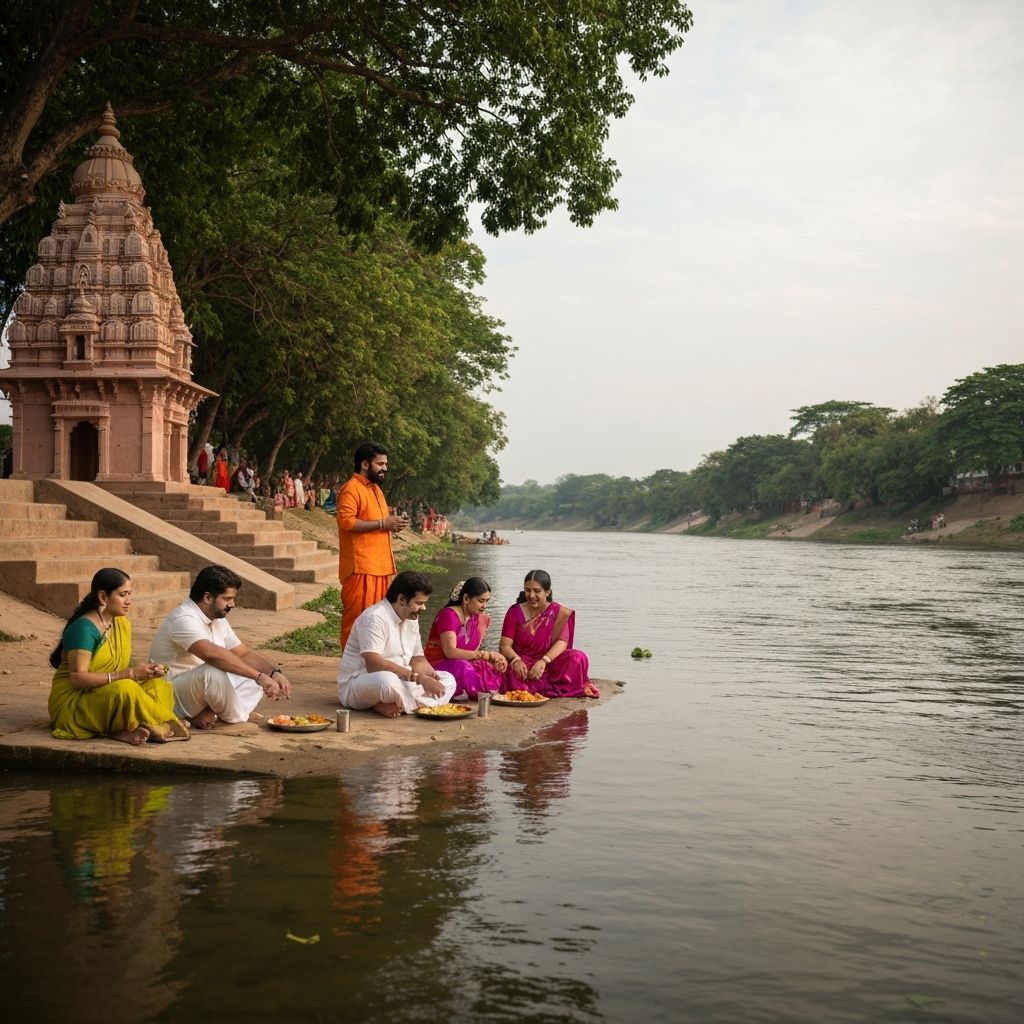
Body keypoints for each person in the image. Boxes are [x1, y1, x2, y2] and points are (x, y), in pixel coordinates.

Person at [47, 568, 189, 744]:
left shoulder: (120, 622)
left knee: (158, 684)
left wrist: (148, 670)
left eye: (130, 594)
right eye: (122, 595)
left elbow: (119, 661)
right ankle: (159, 722)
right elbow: (78, 679)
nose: (129, 601)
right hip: (74, 702)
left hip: (103, 690)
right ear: (103, 597)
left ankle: (125, 729)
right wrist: (128, 674)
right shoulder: (84, 629)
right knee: (125, 689)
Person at [149, 565, 293, 729]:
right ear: (207, 597)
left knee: (250, 674)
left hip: (202, 690)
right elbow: (212, 655)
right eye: (227, 598)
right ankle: (236, 715)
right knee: (216, 670)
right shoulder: (183, 618)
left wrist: (273, 673)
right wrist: (259, 676)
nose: (232, 604)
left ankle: (211, 713)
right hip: (171, 693)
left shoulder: (217, 619)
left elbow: (243, 654)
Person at [337, 570, 456, 718]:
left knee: (448, 679)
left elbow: (417, 659)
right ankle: (419, 704)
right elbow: (374, 665)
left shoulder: (411, 618)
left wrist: (432, 677)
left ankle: (405, 704)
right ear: (401, 599)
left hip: (402, 681)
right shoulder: (375, 618)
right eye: (419, 603)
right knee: (386, 681)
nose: (424, 608)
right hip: (362, 683)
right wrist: (419, 679)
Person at [336, 442, 409, 648]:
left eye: (386, 464)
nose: (385, 468)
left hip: (380, 568)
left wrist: (392, 526)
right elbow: (346, 522)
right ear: (365, 464)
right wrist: (383, 523)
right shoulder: (350, 489)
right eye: (381, 463)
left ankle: (369, 668)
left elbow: (378, 524)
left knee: (376, 622)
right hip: (360, 568)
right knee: (357, 622)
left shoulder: (376, 490)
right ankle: (350, 671)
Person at [499, 569, 599, 698]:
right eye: (527, 590)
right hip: (523, 663)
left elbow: (562, 642)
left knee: (578, 657)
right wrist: (516, 659)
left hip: (549, 661)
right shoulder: (515, 612)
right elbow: (504, 645)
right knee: (513, 675)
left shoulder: (559, 613)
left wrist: (544, 661)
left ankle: (557, 687)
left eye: (537, 591)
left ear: (547, 592)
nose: (531, 595)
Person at [424, 577, 506, 699]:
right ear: (466, 598)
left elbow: (473, 653)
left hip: (462, 662)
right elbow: (450, 652)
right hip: (437, 665)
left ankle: (481, 693)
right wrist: (484, 654)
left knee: (492, 666)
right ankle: (477, 694)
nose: (485, 606)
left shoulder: (480, 619)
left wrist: (494, 658)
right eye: (481, 601)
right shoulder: (448, 615)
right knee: (463, 666)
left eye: (487, 601)